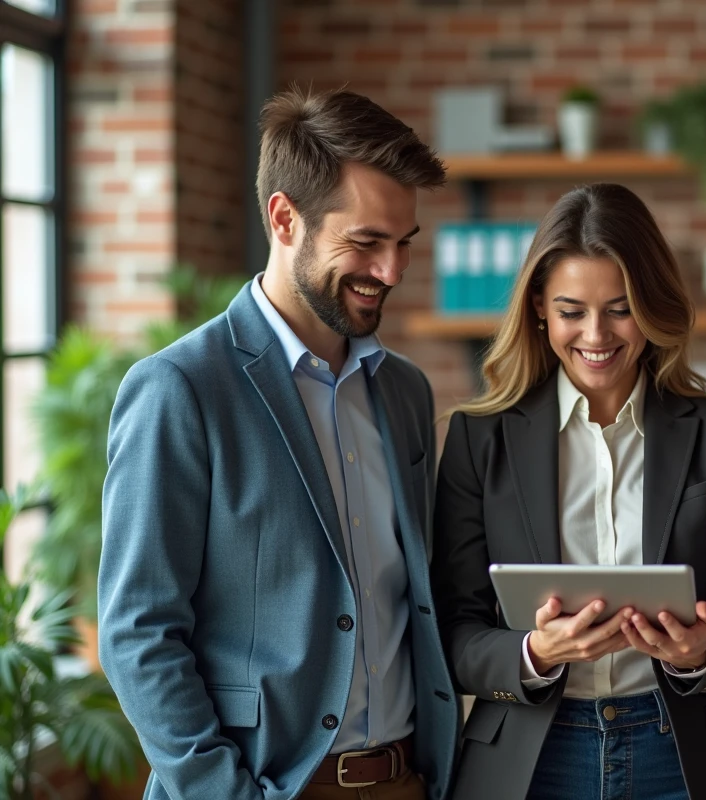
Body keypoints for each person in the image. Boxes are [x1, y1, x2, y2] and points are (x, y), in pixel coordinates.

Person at [98, 87, 459, 800]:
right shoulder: (180, 388)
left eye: (402, 245)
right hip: (266, 786)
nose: (391, 272)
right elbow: (138, 633)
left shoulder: (406, 394)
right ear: (284, 218)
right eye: (365, 243)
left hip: (406, 781)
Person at [431, 183, 706, 800]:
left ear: (651, 305)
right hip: (530, 758)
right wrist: (535, 653)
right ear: (539, 307)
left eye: (620, 308)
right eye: (571, 311)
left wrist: (700, 655)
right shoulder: (479, 439)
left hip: (676, 756)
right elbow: (453, 632)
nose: (596, 335)